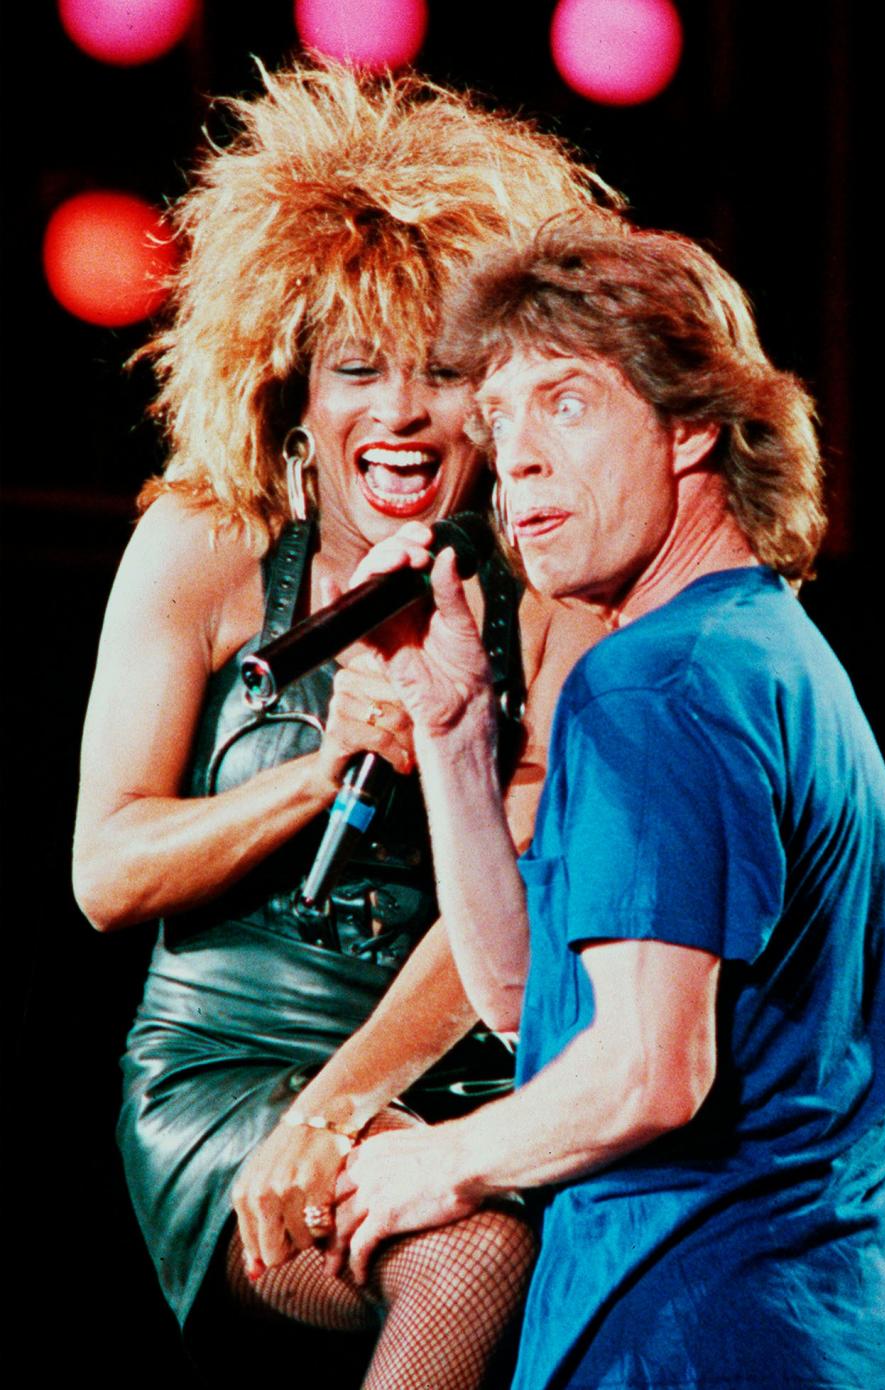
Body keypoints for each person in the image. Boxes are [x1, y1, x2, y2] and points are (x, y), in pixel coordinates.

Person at [72, 65, 611, 1388]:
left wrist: (346, 1108)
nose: (402, 414)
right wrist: (325, 769)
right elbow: (107, 870)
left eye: (439, 372)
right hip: (225, 1075)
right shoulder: (205, 545)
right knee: (469, 1251)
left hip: (452, 1077)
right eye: (358, 370)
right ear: (294, 393)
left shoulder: (545, 595)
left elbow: (530, 907)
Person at [329, 210, 885, 1389]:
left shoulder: (651, 681)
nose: (520, 459)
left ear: (694, 422)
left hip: (689, 1330)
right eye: (499, 421)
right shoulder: (758, 651)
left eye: (566, 400)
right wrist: (455, 728)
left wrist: (442, 1161)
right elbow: (530, 1005)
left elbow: (652, 1070)